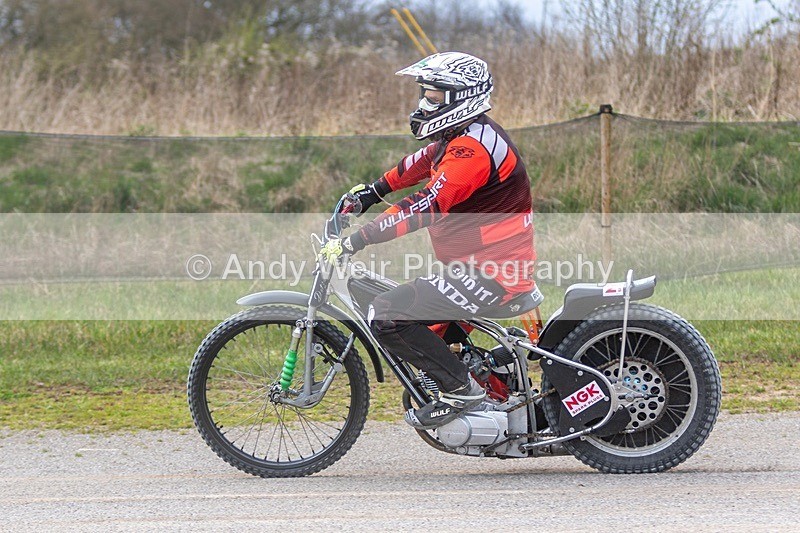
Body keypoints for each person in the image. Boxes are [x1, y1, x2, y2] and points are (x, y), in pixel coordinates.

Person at [319, 51, 536, 429]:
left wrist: (359, 239)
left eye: (433, 97)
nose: (424, 103)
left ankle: (463, 392)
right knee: (429, 337)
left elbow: (427, 203)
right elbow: (418, 164)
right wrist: (371, 193)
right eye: (425, 94)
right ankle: (489, 382)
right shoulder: (461, 135)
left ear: (460, 98)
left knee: (386, 315)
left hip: (491, 274)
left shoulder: (472, 151)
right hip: (481, 267)